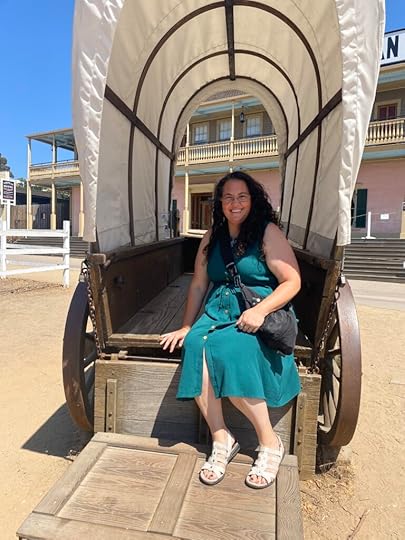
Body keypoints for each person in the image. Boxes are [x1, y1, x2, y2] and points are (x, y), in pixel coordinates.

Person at [160, 171, 301, 489]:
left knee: (232, 351)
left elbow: (292, 281)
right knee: (195, 344)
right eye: (228, 197)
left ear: (253, 200)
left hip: (257, 309)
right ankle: (222, 437)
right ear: (220, 203)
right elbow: (199, 284)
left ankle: (269, 442)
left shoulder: (267, 232)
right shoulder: (213, 235)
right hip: (217, 310)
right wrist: (186, 325)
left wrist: (260, 311)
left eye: (242, 197)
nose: (235, 203)